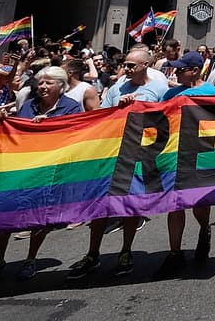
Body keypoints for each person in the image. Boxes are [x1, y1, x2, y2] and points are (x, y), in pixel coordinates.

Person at [67, 47, 169, 280]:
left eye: (132, 65)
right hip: (112, 152)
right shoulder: (117, 88)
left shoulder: (159, 89)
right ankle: (92, 254)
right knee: (101, 204)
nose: (127, 69)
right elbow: (102, 116)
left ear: (145, 66)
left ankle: (126, 251)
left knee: (130, 204)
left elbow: (165, 119)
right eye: (125, 64)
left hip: (140, 154)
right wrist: (119, 109)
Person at [0, 67, 82, 281]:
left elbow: (75, 136)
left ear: (61, 86)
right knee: (3, 216)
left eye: (48, 83)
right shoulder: (28, 105)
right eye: (40, 83)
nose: (42, 87)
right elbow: (15, 132)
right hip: (21, 170)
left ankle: (30, 259)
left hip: (49, 173)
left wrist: (48, 126)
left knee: (39, 218)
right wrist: (2, 119)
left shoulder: (71, 107)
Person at [154, 52, 215, 278]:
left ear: (194, 70)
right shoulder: (170, 94)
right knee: (175, 203)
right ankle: (175, 253)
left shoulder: (212, 93)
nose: (176, 72)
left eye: (181, 69)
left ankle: (204, 229)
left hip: (201, 154)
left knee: (199, 201)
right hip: (174, 154)